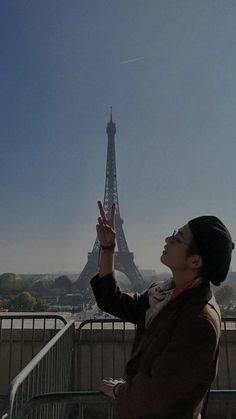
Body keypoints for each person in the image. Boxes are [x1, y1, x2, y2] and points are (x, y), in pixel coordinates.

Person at [90, 201, 234, 419]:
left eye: (177, 239)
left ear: (195, 261)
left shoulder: (199, 320)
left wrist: (119, 391)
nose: (168, 239)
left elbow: (157, 394)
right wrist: (108, 248)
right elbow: (112, 300)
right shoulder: (163, 294)